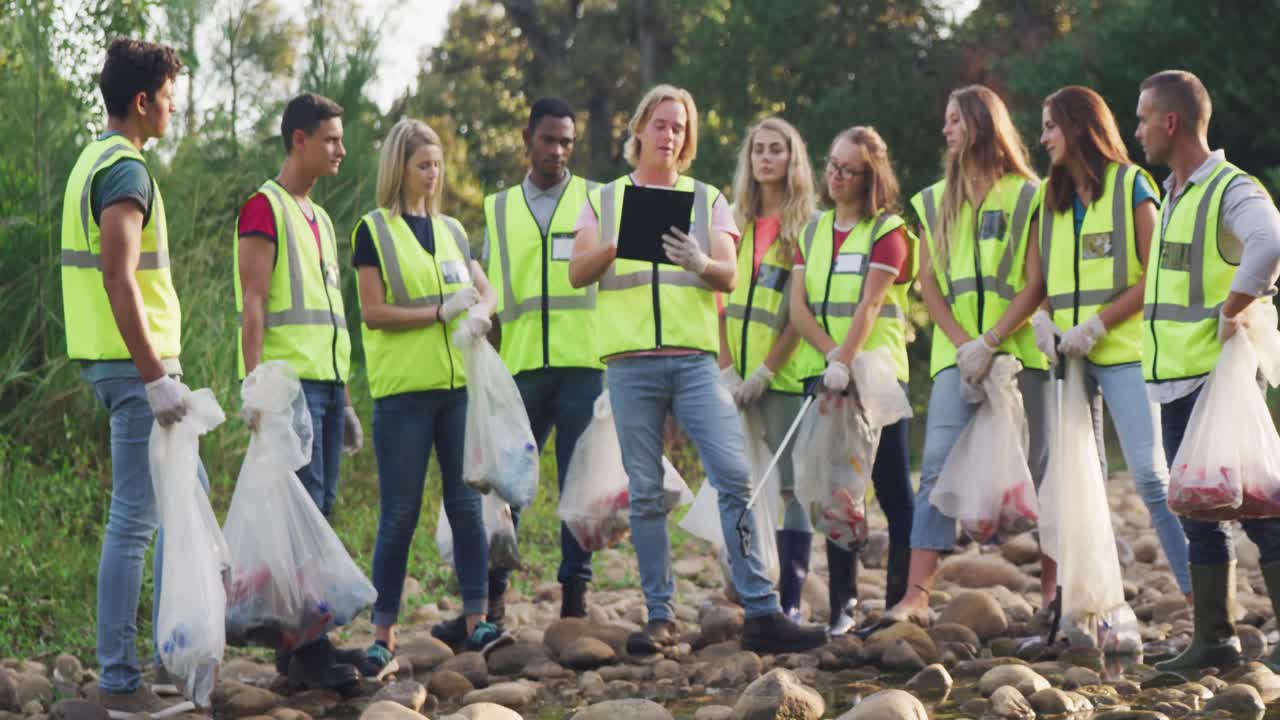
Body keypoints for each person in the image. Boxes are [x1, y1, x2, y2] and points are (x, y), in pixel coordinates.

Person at [569, 84, 827, 655]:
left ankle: (761, 611)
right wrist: (617, 244)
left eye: (679, 128)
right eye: (660, 124)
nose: (668, 136)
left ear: (688, 140)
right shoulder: (604, 200)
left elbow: (730, 276)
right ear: (638, 130)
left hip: (693, 364)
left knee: (734, 476)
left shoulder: (707, 198)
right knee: (644, 493)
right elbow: (577, 271)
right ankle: (660, 616)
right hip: (630, 365)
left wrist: (700, 260)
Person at [880, 85, 1049, 627]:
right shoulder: (932, 202)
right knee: (934, 470)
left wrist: (993, 340)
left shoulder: (1029, 195)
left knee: (1043, 470)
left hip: (1021, 357)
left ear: (980, 124)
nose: (946, 130)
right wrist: (962, 346)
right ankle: (916, 596)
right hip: (958, 360)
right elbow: (927, 283)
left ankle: (1055, 594)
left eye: (954, 120)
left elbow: (1037, 281)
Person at [1133, 70, 1280, 672]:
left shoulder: (1227, 188)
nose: (1136, 130)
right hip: (1177, 382)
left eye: (1142, 118)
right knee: (1198, 511)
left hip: (1215, 383)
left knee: (1260, 512)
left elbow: (1271, 241)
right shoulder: (1173, 192)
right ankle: (1213, 640)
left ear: (1170, 122)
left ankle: (1220, 640)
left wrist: (1233, 308)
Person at [352, 119, 510, 671]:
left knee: (466, 505)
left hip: (455, 391)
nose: (434, 173)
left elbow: (485, 288)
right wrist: (438, 314)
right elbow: (372, 313)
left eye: (438, 164)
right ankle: (383, 634)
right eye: (424, 164)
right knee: (399, 514)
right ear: (401, 168)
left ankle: (477, 622)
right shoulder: (373, 231)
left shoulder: (452, 231)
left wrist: (482, 312)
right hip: (404, 395)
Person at [62, 38, 190, 715]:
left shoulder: (96, 159)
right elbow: (118, 277)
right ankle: (118, 682)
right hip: (136, 368)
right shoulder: (124, 171)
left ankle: (176, 651)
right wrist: (155, 377)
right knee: (136, 520)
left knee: (181, 504)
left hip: (121, 361)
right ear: (142, 101)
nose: (173, 108)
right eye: (169, 97)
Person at [1030, 85, 1191, 600]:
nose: (1043, 138)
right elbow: (1037, 283)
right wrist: (1041, 321)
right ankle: (1089, 605)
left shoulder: (1131, 186)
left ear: (1079, 127)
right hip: (1067, 362)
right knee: (1081, 483)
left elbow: (1155, 276)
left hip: (1123, 353)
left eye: (1051, 126)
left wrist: (1096, 325)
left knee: (1149, 476)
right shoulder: (1046, 197)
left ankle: (1201, 600)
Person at [234, 93, 366, 690]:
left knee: (321, 512)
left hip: (328, 386)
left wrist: (346, 398)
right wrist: (256, 386)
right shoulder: (264, 209)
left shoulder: (321, 218)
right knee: (303, 514)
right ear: (299, 141)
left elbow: (331, 315)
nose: (341, 149)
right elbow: (254, 304)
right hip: (291, 388)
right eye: (332, 139)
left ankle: (300, 645)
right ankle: (308, 650)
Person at [460, 97, 601, 632]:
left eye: (567, 141)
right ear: (528, 138)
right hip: (519, 367)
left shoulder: (594, 200)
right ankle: (495, 597)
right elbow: (487, 292)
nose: (558, 151)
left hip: (584, 362)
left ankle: (574, 598)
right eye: (549, 139)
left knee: (578, 484)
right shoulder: (497, 209)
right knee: (506, 483)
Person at [788, 126, 916, 634]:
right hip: (829, 377)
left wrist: (848, 359)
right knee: (837, 489)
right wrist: (830, 360)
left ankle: (897, 605)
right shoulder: (812, 232)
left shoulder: (888, 231)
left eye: (848, 170)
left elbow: (872, 302)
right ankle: (843, 607)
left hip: (878, 377)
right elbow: (798, 308)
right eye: (832, 164)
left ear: (870, 177)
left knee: (891, 489)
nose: (835, 176)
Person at [717, 117, 816, 626]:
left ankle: (791, 598)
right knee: (734, 480)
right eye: (758, 149)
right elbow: (713, 299)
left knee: (792, 488)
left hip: (785, 376)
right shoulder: (731, 222)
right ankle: (747, 584)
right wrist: (728, 368)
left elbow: (803, 312)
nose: (766, 158)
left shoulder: (807, 227)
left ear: (792, 159)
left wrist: (764, 370)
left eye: (777, 149)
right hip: (733, 379)